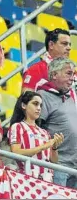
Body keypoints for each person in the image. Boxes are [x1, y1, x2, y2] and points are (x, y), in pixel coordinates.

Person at [37, 57, 77, 188]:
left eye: (73, 74)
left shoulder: (70, 97)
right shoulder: (42, 96)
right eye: (68, 73)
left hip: (74, 165)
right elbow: (35, 129)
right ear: (54, 75)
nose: (72, 78)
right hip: (58, 166)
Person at [8, 91, 64, 182]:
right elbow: (16, 152)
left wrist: (54, 147)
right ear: (23, 105)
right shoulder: (17, 127)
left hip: (47, 181)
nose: (38, 108)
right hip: (26, 179)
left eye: (40, 105)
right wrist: (44, 146)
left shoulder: (45, 132)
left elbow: (53, 160)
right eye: (35, 104)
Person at [22, 28, 71, 93]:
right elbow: (26, 100)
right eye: (64, 44)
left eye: (69, 44)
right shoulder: (35, 70)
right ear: (51, 45)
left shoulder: (72, 71)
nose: (69, 48)